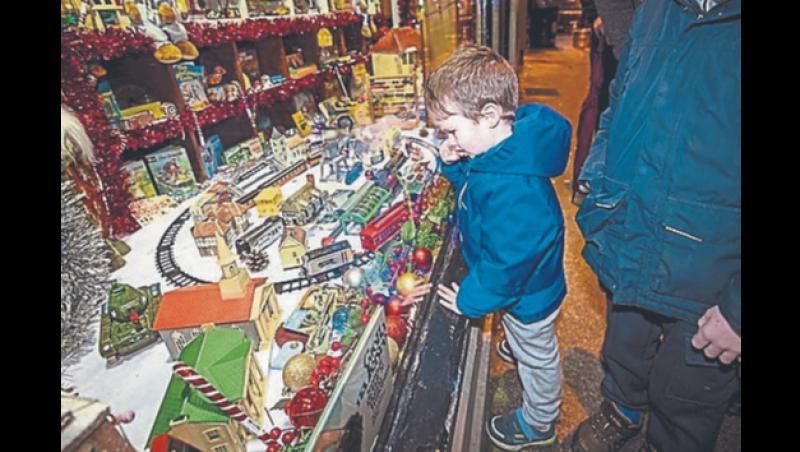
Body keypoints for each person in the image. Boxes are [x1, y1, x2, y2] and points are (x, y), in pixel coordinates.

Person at [571, 1, 740, 451]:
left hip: (713, 266)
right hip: (635, 232)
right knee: (625, 344)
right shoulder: (656, 8)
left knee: (686, 391)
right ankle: (622, 409)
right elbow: (621, 97)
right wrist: (598, 178)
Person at [421, 45, 572, 450]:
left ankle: (540, 420)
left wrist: (472, 300)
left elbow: (507, 266)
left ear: (488, 115)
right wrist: (453, 160)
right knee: (525, 338)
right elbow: (474, 183)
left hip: (529, 296)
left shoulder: (514, 190)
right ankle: (520, 339)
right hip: (523, 286)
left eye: (450, 131)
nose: (446, 139)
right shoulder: (495, 150)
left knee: (537, 356)